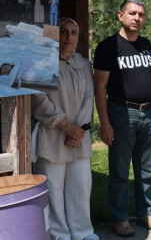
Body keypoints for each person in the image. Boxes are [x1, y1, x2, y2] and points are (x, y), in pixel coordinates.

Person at [93, 0, 151, 236]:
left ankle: (146, 213)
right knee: (120, 171)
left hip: (149, 113)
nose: (137, 18)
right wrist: (105, 123)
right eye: (132, 13)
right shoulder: (108, 46)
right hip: (122, 113)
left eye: (141, 14)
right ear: (120, 15)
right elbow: (99, 87)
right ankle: (120, 218)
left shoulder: (146, 44)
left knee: (146, 169)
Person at [31, 18, 99, 240]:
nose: (69, 37)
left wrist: (77, 130)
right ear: (55, 34)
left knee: (80, 187)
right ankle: (59, 233)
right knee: (53, 187)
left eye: (73, 33)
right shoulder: (43, 62)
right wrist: (65, 126)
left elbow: (89, 97)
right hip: (52, 135)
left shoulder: (83, 63)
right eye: (63, 32)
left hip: (79, 137)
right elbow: (38, 99)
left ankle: (83, 231)